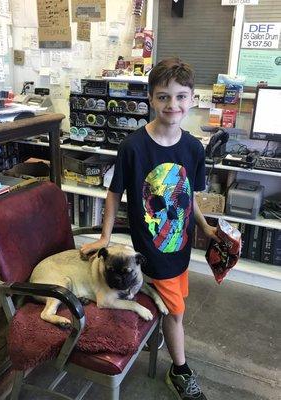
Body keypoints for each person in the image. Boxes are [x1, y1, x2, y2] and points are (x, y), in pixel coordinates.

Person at [80, 57, 219, 400]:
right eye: (163, 97)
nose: (173, 105)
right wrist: (104, 237)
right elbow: (114, 194)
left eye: (181, 97)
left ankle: (159, 332)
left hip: (180, 247)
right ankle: (180, 370)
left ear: (192, 99)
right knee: (176, 312)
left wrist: (206, 229)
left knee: (174, 303)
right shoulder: (133, 147)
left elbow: (189, 198)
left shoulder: (193, 148)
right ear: (150, 99)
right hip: (152, 250)